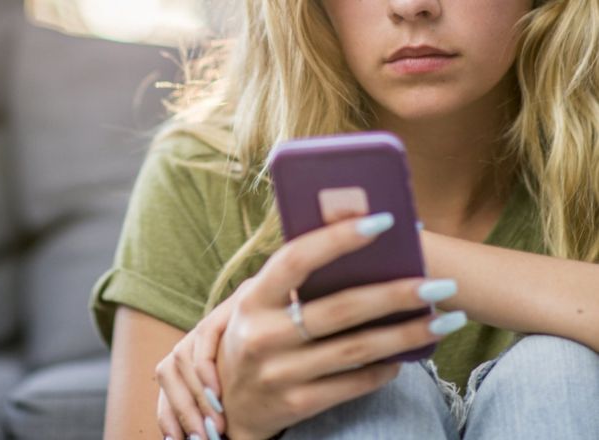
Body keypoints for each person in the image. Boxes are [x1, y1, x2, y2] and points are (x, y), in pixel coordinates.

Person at [89, 0, 599, 439]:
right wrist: (240, 422)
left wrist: (402, 255)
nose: (411, 5)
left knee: (555, 370)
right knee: (364, 384)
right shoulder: (202, 168)